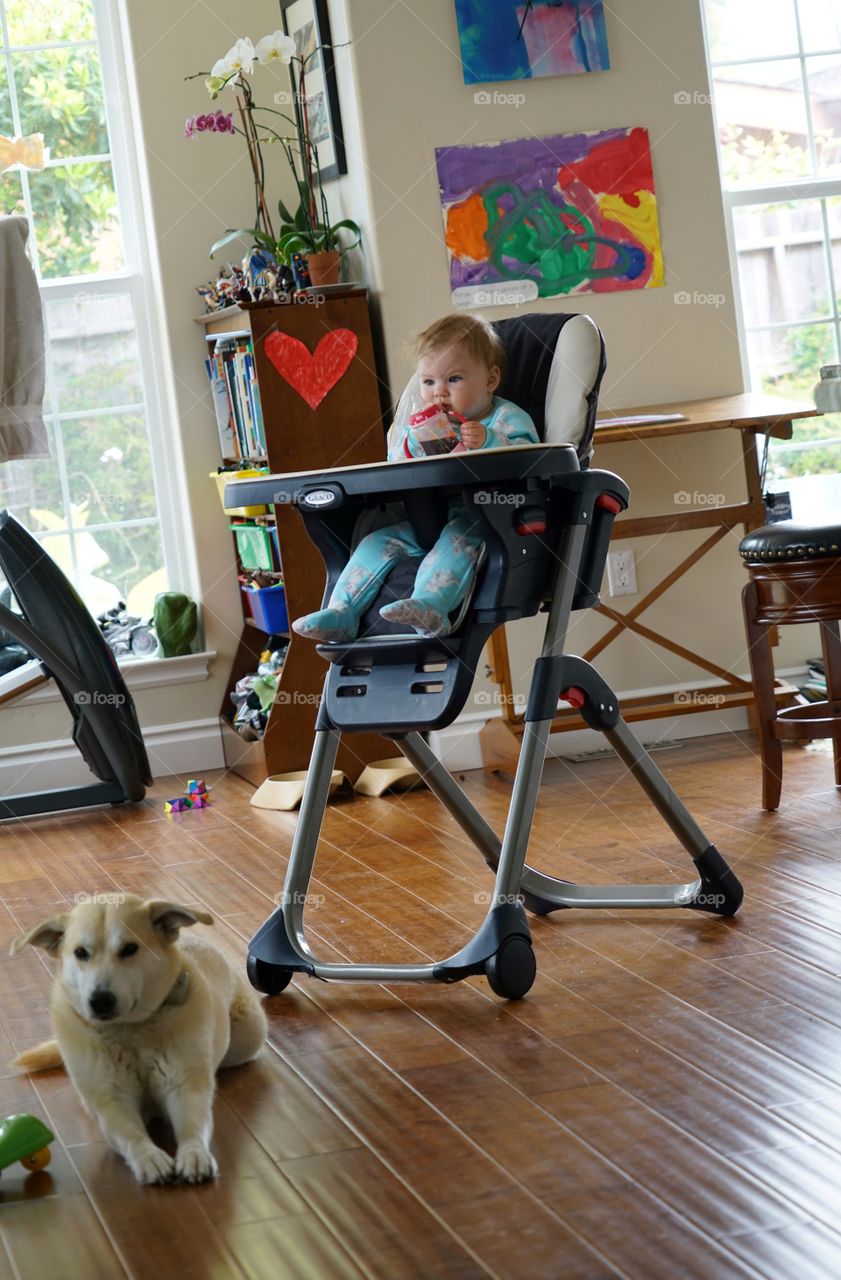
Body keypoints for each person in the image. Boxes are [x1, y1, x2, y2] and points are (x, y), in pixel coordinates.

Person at [291, 313, 539, 641]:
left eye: (454, 379)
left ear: (491, 380)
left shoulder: (505, 419)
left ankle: (431, 605)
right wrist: (411, 445)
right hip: (423, 517)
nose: (439, 393)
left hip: (483, 517)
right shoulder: (419, 428)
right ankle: (343, 611)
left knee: (458, 541)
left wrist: (490, 441)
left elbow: (531, 461)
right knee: (373, 542)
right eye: (428, 382)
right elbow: (397, 469)